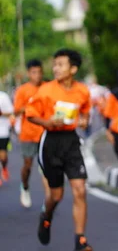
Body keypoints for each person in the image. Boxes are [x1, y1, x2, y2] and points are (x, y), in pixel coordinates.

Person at [26, 49, 93, 251]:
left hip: (71, 141)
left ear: (73, 69)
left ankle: (80, 239)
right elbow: (30, 114)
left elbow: (85, 113)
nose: (55, 68)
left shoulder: (82, 91)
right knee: (56, 196)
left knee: (80, 190)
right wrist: (48, 122)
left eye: (60, 64)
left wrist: (83, 121)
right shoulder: (46, 90)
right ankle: (46, 217)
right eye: (54, 64)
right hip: (51, 142)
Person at [13, 59, 51, 207]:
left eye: (40, 72)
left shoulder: (47, 88)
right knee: (28, 165)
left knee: (45, 167)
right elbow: (16, 110)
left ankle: (47, 200)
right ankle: (25, 186)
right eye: (34, 72)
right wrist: (31, 104)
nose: (37, 75)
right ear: (29, 73)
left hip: (44, 133)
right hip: (28, 134)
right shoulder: (22, 90)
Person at [0, 89, 14, 186]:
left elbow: (11, 113)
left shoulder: (3, 96)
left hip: (2, 130)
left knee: (3, 155)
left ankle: (4, 167)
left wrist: (1, 113)